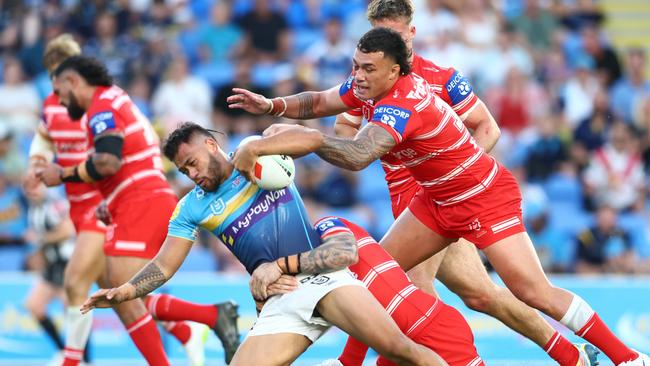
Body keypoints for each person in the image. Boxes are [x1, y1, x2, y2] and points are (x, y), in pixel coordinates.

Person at [227, 27, 648, 366]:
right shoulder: (372, 83)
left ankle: (625, 357)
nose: (358, 76)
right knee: (372, 275)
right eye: (355, 66)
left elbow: (357, 155)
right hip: (436, 200)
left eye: (367, 69)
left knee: (530, 291)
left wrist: (306, 140)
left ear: (395, 69)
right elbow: (320, 100)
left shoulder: (403, 102)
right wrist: (273, 105)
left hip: (484, 197)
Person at [331, 2, 585, 365]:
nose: (386, 40)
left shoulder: (440, 76)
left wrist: (454, 177)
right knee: (480, 294)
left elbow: (488, 128)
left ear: (411, 33)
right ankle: (568, 352)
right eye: (378, 32)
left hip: (439, 199)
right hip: (406, 202)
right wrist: (365, 147)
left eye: (395, 32)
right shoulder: (367, 79)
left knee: (405, 287)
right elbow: (345, 128)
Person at [80, 122, 447, 366]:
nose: (192, 174)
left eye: (193, 162)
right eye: (184, 170)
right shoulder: (191, 206)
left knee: (402, 351)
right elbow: (164, 265)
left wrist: (256, 147)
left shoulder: (259, 153)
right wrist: (125, 291)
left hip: (321, 279)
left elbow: (312, 139)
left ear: (211, 145)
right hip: (278, 301)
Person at [35, 55, 240, 366]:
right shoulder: (113, 99)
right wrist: (112, 199)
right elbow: (124, 163)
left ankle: (74, 360)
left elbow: (108, 162)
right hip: (134, 201)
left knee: (115, 291)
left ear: (73, 82)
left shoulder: (102, 107)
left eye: (60, 93)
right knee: (122, 293)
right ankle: (205, 318)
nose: (61, 103)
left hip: (142, 200)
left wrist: (61, 174)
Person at [314, 215, 485, 366]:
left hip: (431, 331)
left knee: (484, 296)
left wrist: (348, 362)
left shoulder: (327, 227)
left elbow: (346, 255)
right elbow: (366, 313)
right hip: (397, 342)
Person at [23, 181, 77, 365]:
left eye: (35, 186)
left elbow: (68, 229)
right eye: (29, 188)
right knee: (34, 306)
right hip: (51, 266)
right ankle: (63, 351)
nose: (32, 191)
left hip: (66, 263)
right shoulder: (33, 210)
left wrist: (41, 239)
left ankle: (83, 358)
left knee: (73, 312)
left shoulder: (54, 203)